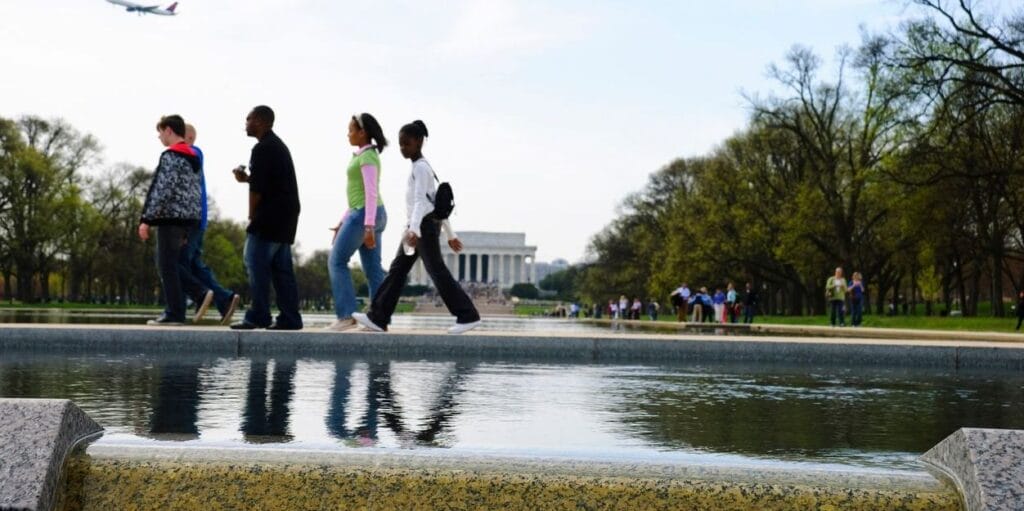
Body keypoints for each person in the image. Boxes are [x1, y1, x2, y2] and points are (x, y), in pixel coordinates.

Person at [353, 120, 481, 334]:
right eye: (401, 144)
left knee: (437, 272)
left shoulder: (421, 168)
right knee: (397, 271)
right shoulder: (420, 167)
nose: (403, 148)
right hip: (420, 226)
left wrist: (414, 230)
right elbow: (435, 203)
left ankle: (468, 315)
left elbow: (423, 202)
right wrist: (449, 234)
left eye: (407, 143)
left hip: (423, 228)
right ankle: (378, 317)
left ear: (420, 142)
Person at [229, 105, 303, 330]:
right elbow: (269, 181)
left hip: (270, 215)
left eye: (249, 119)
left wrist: (252, 216)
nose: (246, 123)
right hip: (287, 215)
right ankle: (290, 317)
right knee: (281, 269)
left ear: (260, 121)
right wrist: (247, 179)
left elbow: (258, 190)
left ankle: (258, 315)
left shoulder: (262, 149)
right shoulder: (277, 146)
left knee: (254, 260)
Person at [326, 113, 389, 331]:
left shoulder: (368, 156)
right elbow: (357, 195)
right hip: (367, 214)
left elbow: (370, 193)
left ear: (362, 132)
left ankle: (346, 316)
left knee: (336, 261)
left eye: (351, 129)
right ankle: (378, 319)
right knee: (373, 270)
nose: (348, 133)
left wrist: (368, 226)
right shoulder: (363, 155)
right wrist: (342, 221)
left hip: (366, 216)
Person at [138, 114, 203, 325]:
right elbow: (194, 193)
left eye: (160, 132)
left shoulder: (172, 156)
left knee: (166, 264)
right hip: (187, 218)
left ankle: (176, 312)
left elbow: (163, 189)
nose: (159, 137)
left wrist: (147, 218)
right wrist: (188, 227)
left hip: (170, 217)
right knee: (171, 263)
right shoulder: (192, 157)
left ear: (169, 130)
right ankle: (195, 297)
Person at [178, 124, 240, 325]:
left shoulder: (192, 153)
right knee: (195, 264)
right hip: (197, 218)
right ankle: (224, 299)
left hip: (191, 220)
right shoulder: (190, 154)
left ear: (187, 137)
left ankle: (198, 296)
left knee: (179, 262)